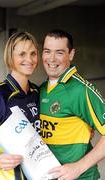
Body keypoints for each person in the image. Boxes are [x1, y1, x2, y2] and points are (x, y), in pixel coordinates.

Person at [38, 29, 105, 180]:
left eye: (59, 52)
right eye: (47, 51)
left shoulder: (81, 90)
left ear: (71, 54)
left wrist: (78, 167)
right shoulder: (42, 89)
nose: (52, 58)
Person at [0, 32, 39, 179]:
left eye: (33, 53)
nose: (29, 59)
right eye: (22, 54)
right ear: (10, 57)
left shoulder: (37, 92)